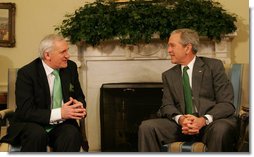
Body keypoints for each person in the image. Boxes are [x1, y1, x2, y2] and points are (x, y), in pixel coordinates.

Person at [138, 28, 238, 152]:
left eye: (172, 46)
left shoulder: (213, 66)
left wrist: (203, 120)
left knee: (221, 129)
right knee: (147, 127)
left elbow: (226, 104)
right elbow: (166, 106)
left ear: (187, 48)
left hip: (210, 124)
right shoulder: (169, 75)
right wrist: (181, 119)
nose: (169, 50)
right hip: (182, 127)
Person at [0, 34, 88, 152]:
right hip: (32, 123)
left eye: (67, 50)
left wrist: (79, 107)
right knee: (36, 134)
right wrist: (60, 113)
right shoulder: (27, 73)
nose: (68, 55)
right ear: (47, 55)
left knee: (71, 134)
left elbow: (79, 96)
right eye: (63, 52)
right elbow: (26, 111)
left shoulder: (70, 67)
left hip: (61, 125)